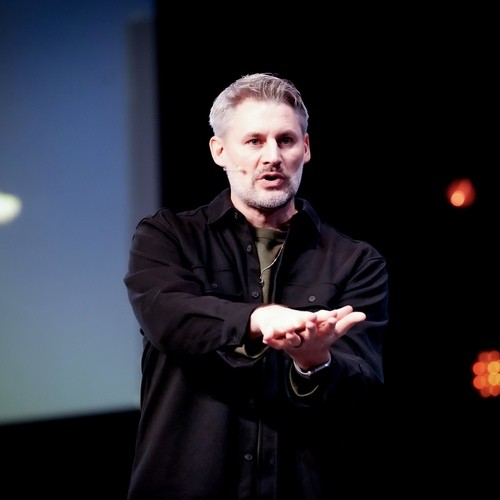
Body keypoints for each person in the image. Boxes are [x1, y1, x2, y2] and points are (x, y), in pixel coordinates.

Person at [124, 73, 389, 499]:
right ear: (220, 151)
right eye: (254, 141)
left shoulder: (354, 261)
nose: (273, 157)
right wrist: (259, 318)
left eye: (286, 140)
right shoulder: (168, 237)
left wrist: (314, 362)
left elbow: (364, 392)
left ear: (306, 148)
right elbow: (168, 317)